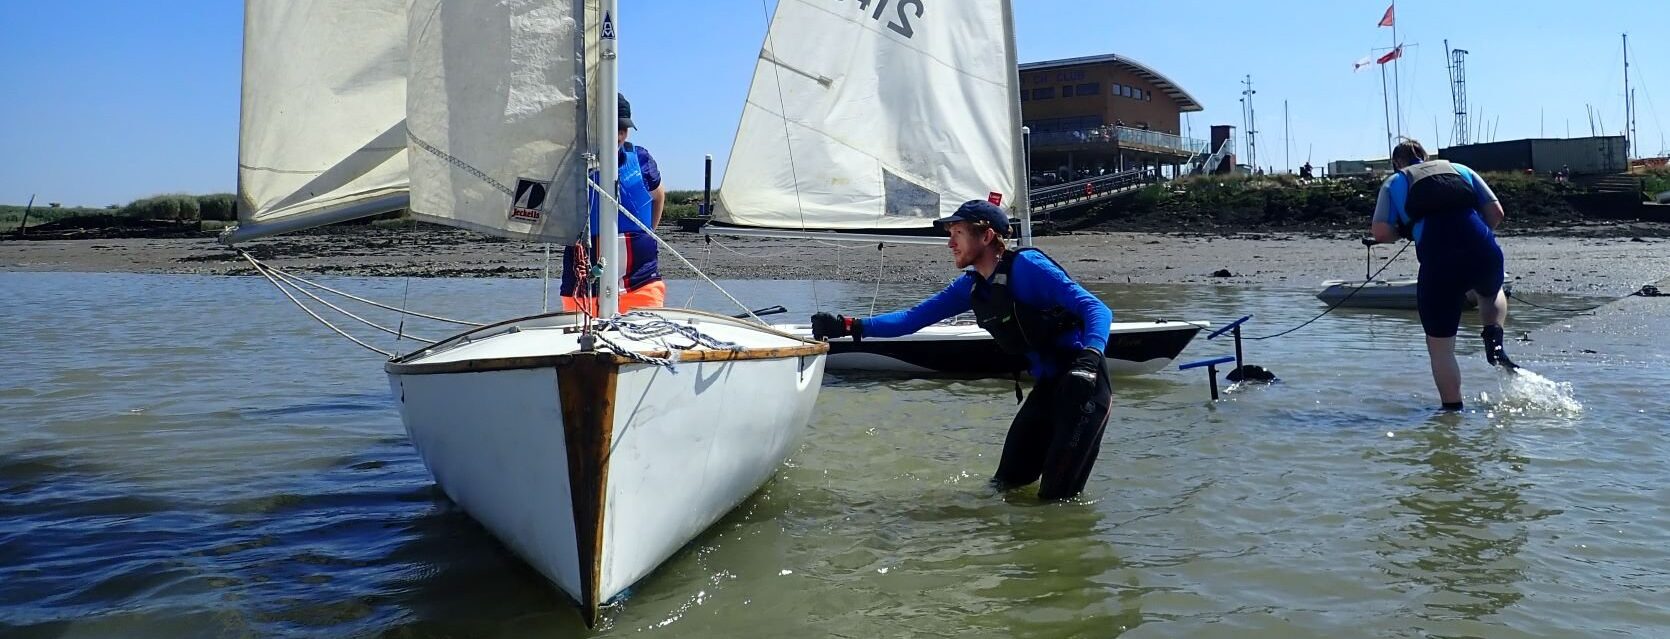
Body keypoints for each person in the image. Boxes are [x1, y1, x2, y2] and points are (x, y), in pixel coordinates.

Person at [809, 200, 1114, 500]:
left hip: (1084, 386)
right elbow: (913, 319)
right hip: (1049, 387)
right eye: (949, 234)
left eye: (957, 233)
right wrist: (850, 325)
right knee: (1004, 486)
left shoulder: (1028, 268)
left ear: (986, 236)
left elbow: (1096, 309)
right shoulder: (972, 286)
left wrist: (1089, 360)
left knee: (1055, 501)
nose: (949, 243)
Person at [1370, 138, 1516, 411]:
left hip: (1439, 260)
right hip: (1481, 248)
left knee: (1441, 348)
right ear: (1426, 157)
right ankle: (1494, 339)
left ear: (1397, 163)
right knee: (1490, 290)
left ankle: (1452, 414)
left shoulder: (1395, 182)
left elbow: (1379, 232)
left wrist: (1405, 231)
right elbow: (1496, 213)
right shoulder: (1460, 169)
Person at [559, 93, 667, 313]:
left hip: (641, 280)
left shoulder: (641, 158)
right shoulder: (569, 164)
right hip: (582, 282)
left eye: (624, 128)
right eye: (613, 127)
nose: (619, 134)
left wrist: (648, 233)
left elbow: (659, 196)